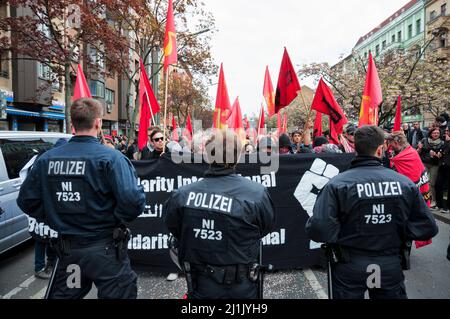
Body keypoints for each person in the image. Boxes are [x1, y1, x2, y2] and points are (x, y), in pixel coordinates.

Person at [17, 98, 146, 299]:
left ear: (72, 124)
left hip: (71, 253)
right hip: (104, 254)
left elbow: (26, 201)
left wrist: (53, 216)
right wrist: (113, 217)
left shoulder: (47, 159)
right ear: (98, 123)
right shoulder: (111, 158)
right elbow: (132, 201)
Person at [306, 125, 438, 299]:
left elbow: (319, 229)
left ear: (355, 149)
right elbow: (427, 227)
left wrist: (344, 233)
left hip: (350, 265)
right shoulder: (404, 184)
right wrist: (397, 230)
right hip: (388, 263)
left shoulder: (336, 185)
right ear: (380, 149)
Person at [163, 129, 275, 299]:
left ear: (207, 156)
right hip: (237, 285)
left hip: (206, 283)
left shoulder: (182, 195)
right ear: (238, 156)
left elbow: (175, 227)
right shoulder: (256, 193)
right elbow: (265, 227)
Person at [418, 127, 444, 207]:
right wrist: (419, 148)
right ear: (431, 133)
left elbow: (442, 155)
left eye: (437, 133)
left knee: (432, 183)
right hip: (424, 163)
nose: (436, 134)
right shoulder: (424, 140)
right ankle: (421, 198)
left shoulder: (442, 143)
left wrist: (437, 155)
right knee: (422, 181)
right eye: (434, 133)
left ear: (439, 134)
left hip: (434, 165)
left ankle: (433, 200)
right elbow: (418, 151)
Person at [435, 124, 450, 213]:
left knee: (448, 187)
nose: (446, 132)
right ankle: (439, 204)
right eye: (446, 130)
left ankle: (447, 207)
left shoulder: (448, 141)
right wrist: (438, 153)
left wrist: (448, 143)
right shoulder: (445, 140)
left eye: (448, 130)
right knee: (438, 185)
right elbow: (442, 151)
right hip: (442, 165)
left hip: (449, 166)